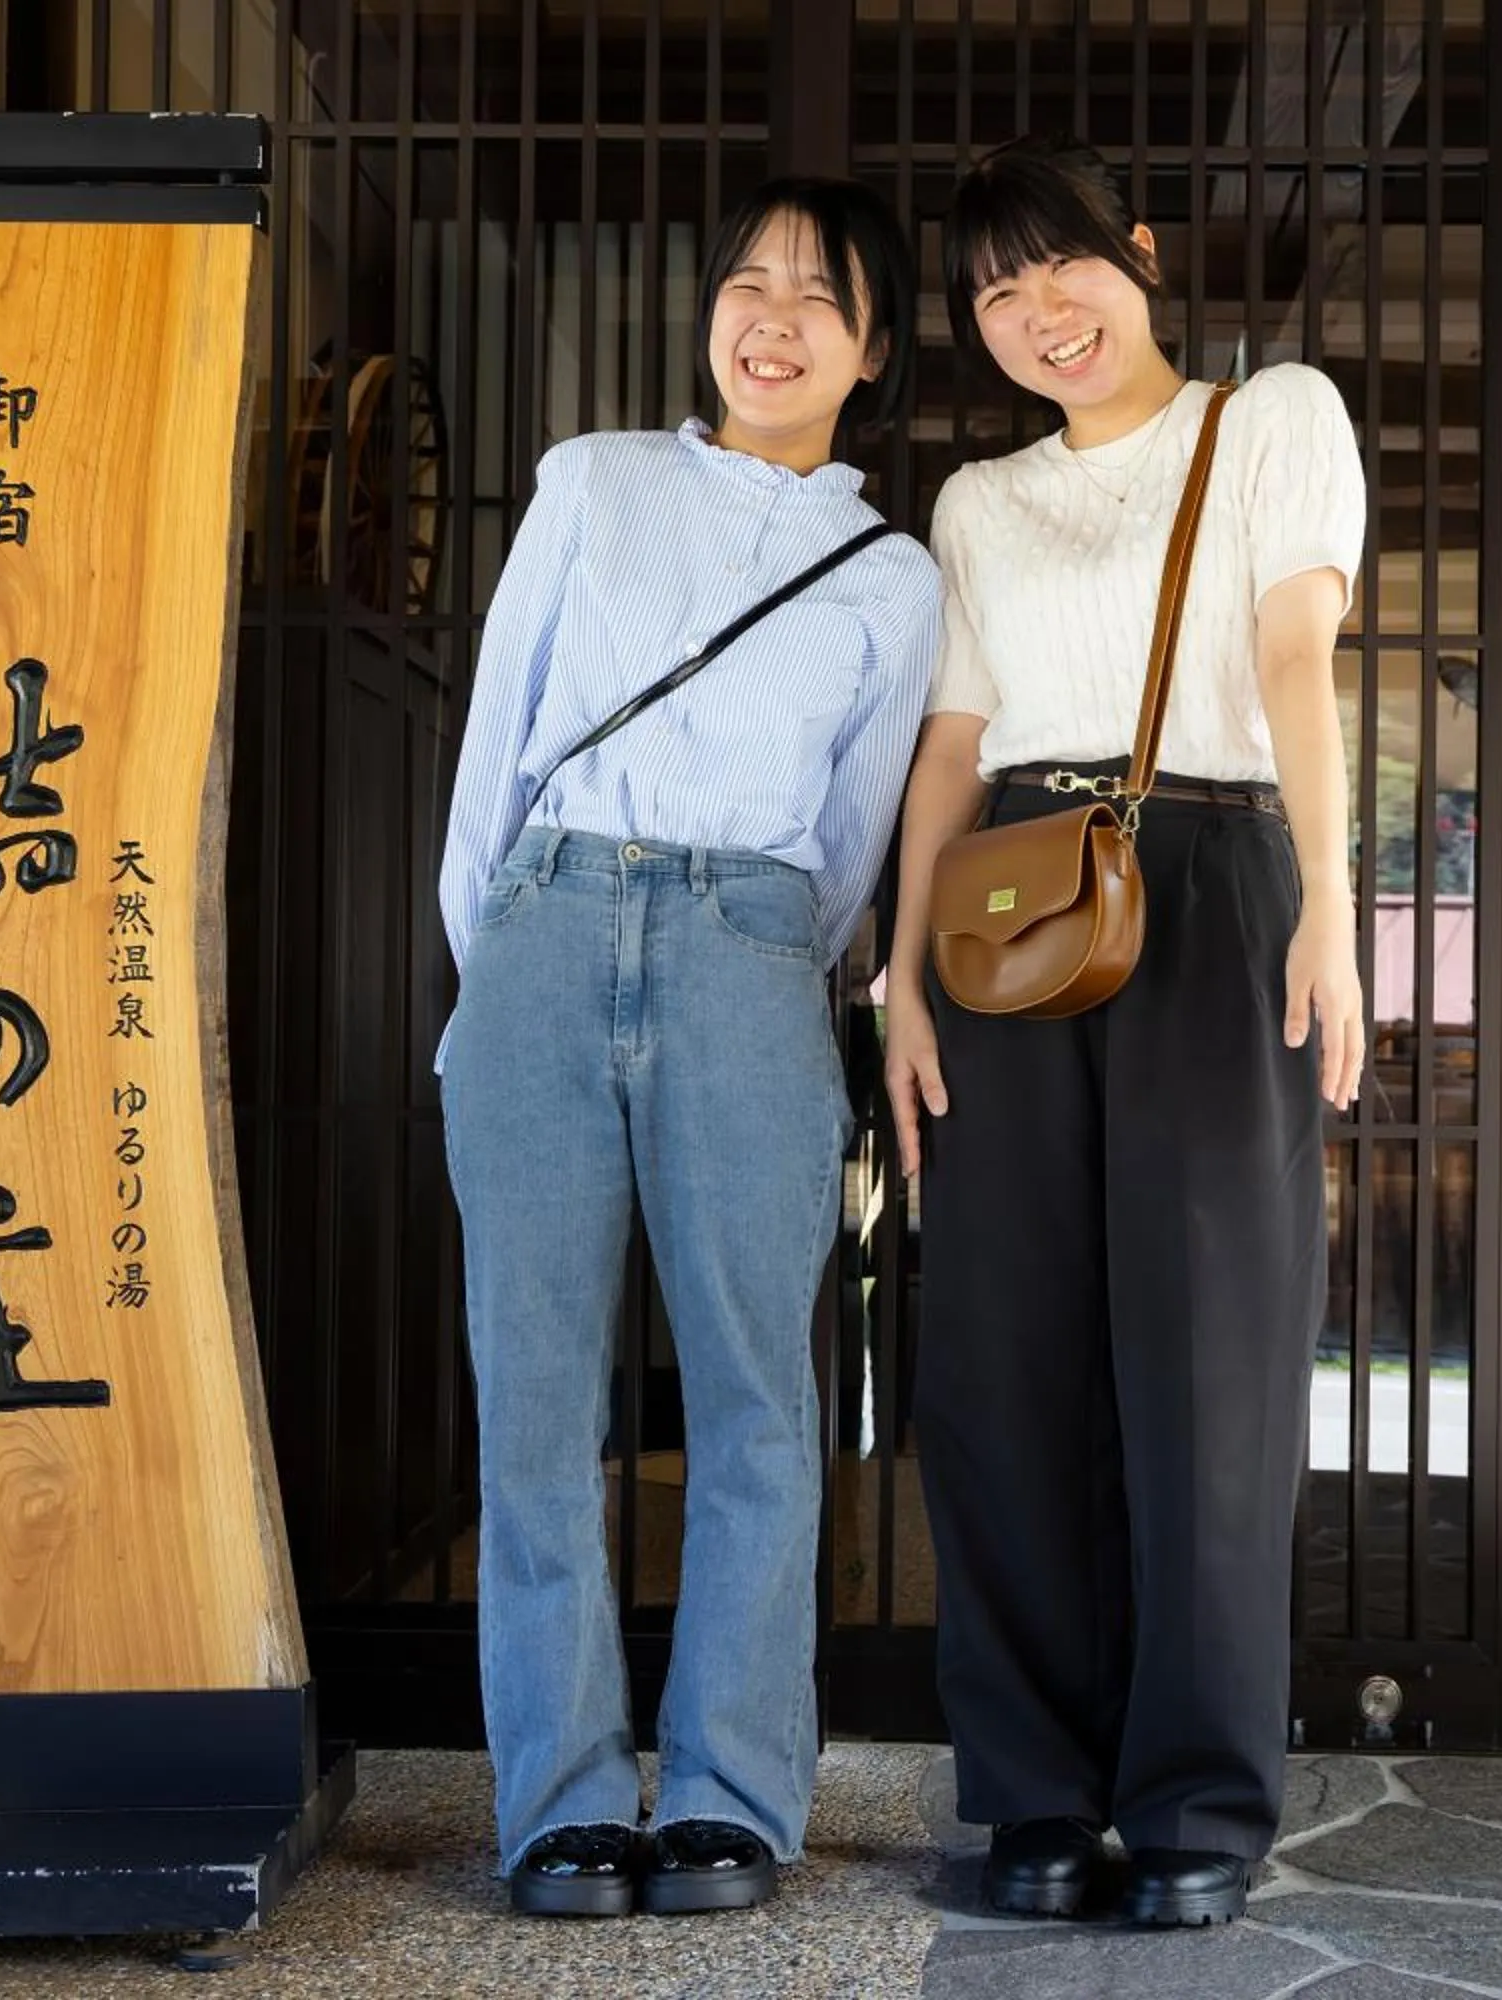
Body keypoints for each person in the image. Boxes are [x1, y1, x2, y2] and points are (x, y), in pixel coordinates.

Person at [436, 176, 940, 1919]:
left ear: (872, 353)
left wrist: (744, 965)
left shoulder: (894, 574)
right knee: (535, 1407)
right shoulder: (594, 481)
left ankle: (729, 1789)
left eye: (821, 297)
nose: (774, 317)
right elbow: (494, 752)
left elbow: (857, 845)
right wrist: (490, 974)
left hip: (749, 950)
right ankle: (563, 1798)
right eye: (749, 282)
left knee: (752, 1402)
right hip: (545, 930)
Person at [883, 135, 1368, 1928]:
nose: (1037, 315)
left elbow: (1299, 662)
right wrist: (900, 976)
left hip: (1213, 879)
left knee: (1207, 1368)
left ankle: (1195, 1814)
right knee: (1002, 1371)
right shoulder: (978, 506)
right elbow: (950, 746)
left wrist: (1331, 904)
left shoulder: (1274, 421)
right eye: (997, 295)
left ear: (1139, 255)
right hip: (1011, 904)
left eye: (1060, 270)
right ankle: (1030, 1796)